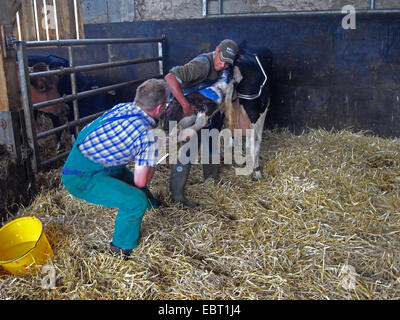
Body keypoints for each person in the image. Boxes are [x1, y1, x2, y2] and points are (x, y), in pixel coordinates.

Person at [62, 78, 168, 258]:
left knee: (125, 176)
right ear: (159, 109)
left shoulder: (124, 107)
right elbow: (140, 180)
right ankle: (121, 248)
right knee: (135, 200)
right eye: (166, 104)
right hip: (81, 177)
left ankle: (154, 207)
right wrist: (151, 162)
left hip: (97, 163)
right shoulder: (147, 135)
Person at [164, 39, 238, 208]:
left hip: (205, 109)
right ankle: (177, 197)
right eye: (221, 59)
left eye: (227, 62)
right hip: (185, 111)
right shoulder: (202, 65)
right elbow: (170, 78)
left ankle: (211, 180)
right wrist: (185, 105)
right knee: (187, 150)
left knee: (211, 139)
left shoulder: (226, 69)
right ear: (216, 50)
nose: (222, 64)